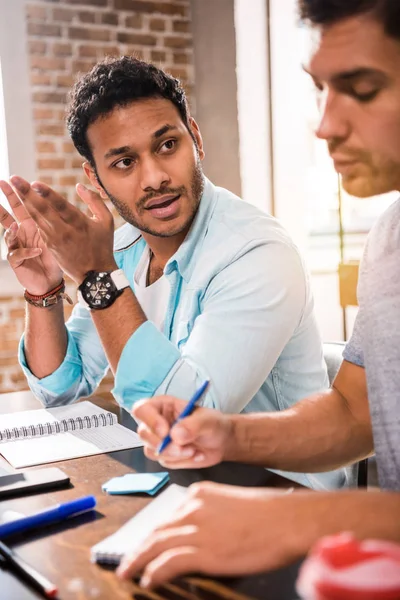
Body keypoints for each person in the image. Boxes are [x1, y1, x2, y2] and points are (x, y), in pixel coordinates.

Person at [115, 0, 400, 590]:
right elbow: (355, 413)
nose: (325, 124)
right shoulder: (390, 240)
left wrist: (302, 519)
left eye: (363, 88)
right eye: (321, 88)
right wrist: (225, 433)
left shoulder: (254, 246)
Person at [0, 57, 340, 490]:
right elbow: (61, 388)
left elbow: (185, 417)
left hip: (284, 496)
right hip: (178, 480)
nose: (155, 178)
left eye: (166, 146)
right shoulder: (122, 250)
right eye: (124, 162)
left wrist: (95, 275)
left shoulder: (257, 253)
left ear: (194, 138)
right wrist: (45, 292)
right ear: (95, 178)